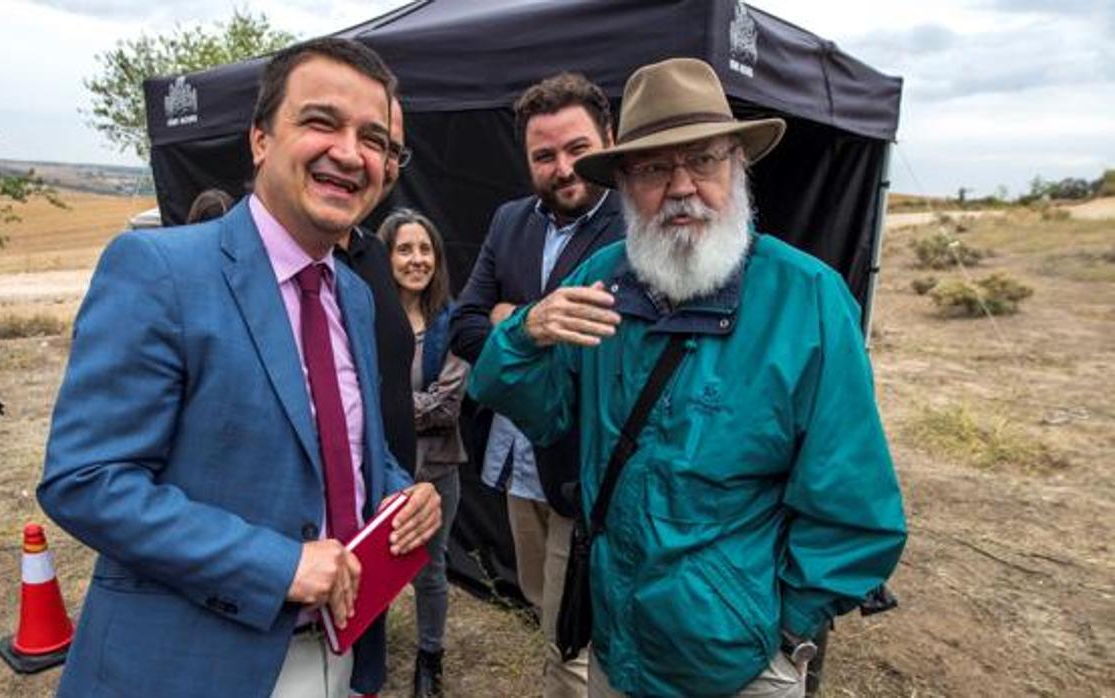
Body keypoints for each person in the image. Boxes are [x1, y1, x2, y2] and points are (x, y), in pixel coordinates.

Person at [467, 58, 907, 698]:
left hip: (742, 668)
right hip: (617, 651)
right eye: (651, 169)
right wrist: (523, 333)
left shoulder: (806, 298)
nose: (681, 187)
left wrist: (782, 631)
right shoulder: (600, 282)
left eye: (703, 160)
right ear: (623, 183)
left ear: (737, 166)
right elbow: (533, 407)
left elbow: (856, 506)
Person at [38, 37, 441, 698]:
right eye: (321, 122)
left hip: (338, 653)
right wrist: (277, 564)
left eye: (374, 138)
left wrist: (398, 494)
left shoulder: (357, 296)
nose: (349, 152)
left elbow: (339, 450)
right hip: (193, 666)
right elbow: (85, 479)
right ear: (260, 139)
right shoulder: (160, 271)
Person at [449, 71, 623, 697]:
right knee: (542, 604)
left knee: (574, 637)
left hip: (587, 462)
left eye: (578, 148)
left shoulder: (636, 227)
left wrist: (511, 315)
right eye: (544, 155)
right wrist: (535, 320)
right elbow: (463, 324)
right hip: (517, 460)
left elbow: (618, 349)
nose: (563, 167)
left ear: (610, 138)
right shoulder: (510, 221)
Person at [379, 210, 468, 698]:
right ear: (387, 256)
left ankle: (430, 658)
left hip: (435, 471)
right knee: (369, 564)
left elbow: (447, 407)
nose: (417, 259)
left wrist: (383, 403)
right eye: (405, 249)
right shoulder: (366, 318)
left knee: (430, 569)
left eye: (425, 249)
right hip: (378, 468)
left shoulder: (451, 324)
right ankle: (362, 651)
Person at [335, 94, 417, 478]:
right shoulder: (295, 266)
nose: (374, 161)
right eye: (372, 141)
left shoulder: (373, 252)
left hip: (393, 491)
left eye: (390, 148)